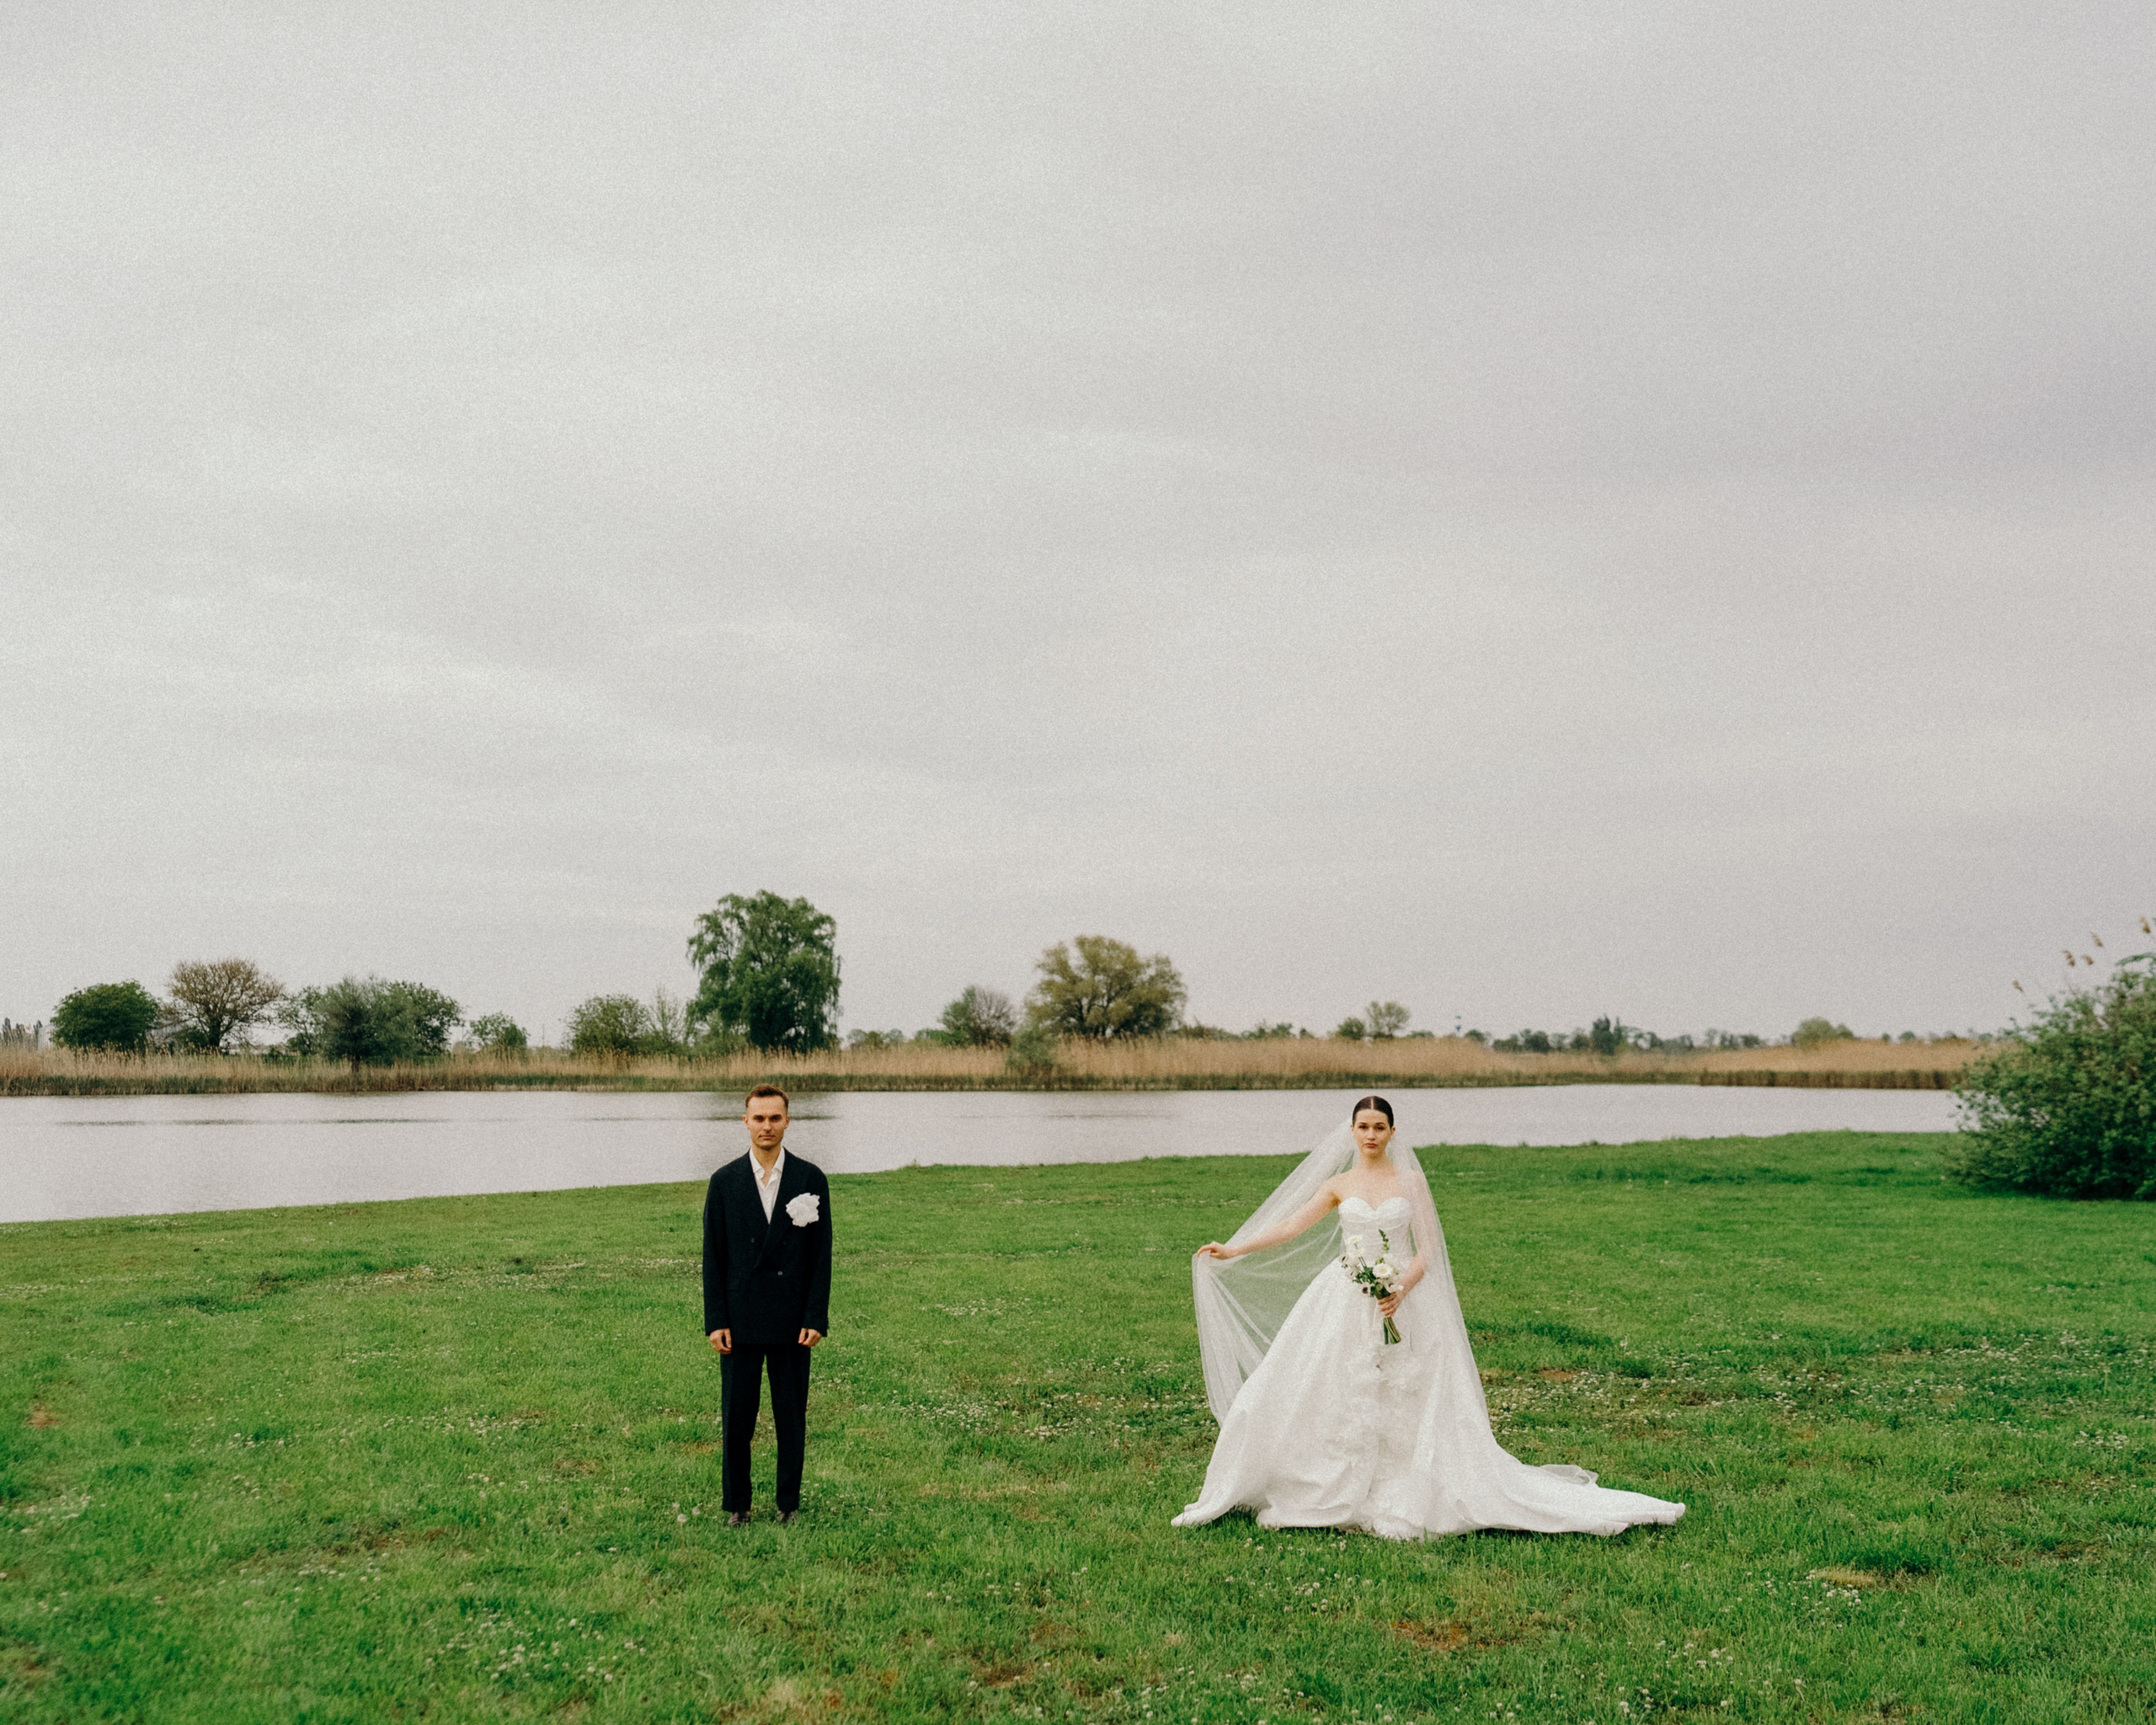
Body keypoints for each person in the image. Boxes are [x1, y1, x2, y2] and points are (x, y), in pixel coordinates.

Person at [1175, 1095, 1684, 1540]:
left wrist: (1399, 1289)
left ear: (1392, 1132)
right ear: (1351, 1131)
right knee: (1327, 1385)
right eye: (1363, 1126)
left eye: (1380, 1127)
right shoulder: (1338, 1184)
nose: (1371, 1134)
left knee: (1405, 1391)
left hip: (1401, 1299)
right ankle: (1333, 1480)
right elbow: (1290, 1225)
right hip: (1343, 1298)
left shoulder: (1410, 1180)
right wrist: (1235, 1248)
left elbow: (1428, 1250)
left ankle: (1405, 1484)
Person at [702, 1085, 832, 1525]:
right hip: (739, 1320)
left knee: (790, 1417)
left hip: (792, 1319)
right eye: (758, 1118)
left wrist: (816, 1315)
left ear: (788, 1121)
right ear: (745, 1121)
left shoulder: (810, 1179)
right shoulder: (723, 1182)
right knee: (738, 1416)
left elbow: (821, 1255)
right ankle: (738, 1505)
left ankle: (788, 1505)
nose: (766, 1126)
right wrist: (716, 1319)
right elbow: (713, 1256)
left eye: (775, 1118)